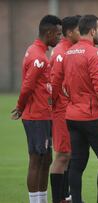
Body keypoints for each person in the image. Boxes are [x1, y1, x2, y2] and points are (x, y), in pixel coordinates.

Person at [59, 15, 98, 203]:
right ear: (92, 31)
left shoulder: (69, 53)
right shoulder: (94, 54)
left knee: (77, 163)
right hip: (92, 116)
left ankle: (76, 201)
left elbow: (62, 84)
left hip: (72, 116)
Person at [11, 15, 62, 203]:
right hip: (36, 116)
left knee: (46, 159)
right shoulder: (38, 57)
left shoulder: (37, 52)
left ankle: (42, 199)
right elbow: (27, 86)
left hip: (44, 114)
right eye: (57, 34)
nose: (59, 38)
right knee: (36, 159)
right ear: (48, 33)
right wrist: (19, 106)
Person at [50, 15, 81, 203]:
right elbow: (54, 85)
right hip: (62, 110)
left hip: (71, 110)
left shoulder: (71, 50)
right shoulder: (61, 52)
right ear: (69, 32)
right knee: (63, 155)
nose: (83, 33)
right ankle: (58, 199)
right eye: (79, 30)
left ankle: (66, 197)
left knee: (70, 154)